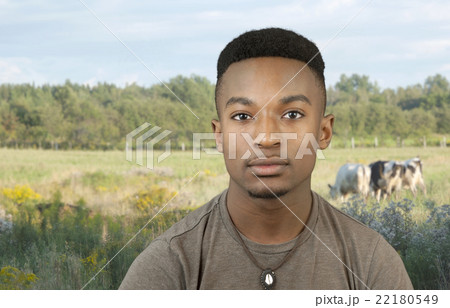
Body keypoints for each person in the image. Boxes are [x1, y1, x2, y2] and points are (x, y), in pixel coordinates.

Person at [119, 27, 413, 290]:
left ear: (323, 131)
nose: (266, 137)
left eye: (292, 114)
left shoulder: (371, 262)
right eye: (243, 116)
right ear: (219, 136)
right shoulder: (169, 265)